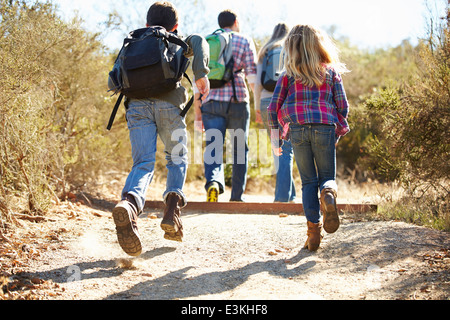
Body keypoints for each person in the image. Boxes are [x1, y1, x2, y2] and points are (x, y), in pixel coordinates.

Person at [112, 1, 210, 257]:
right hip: (169, 106)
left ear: (147, 23)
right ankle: (171, 211)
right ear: (175, 25)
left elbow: (113, 79)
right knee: (177, 158)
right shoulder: (173, 40)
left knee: (142, 163)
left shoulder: (133, 41)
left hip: (137, 108)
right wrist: (201, 74)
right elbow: (199, 39)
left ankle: (130, 204)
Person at [268, 25, 350, 251]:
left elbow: (273, 108)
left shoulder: (288, 75)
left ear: (291, 48)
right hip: (325, 127)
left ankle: (313, 234)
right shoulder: (331, 72)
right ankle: (329, 194)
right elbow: (343, 106)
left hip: (298, 130)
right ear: (319, 46)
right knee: (326, 177)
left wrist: (277, 140)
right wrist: (338, 131)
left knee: (308, 182)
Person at [194, 9, 257, 202]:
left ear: (219, 23)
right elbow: (252, 76)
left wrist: (198, 113)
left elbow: (198, 79)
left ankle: (213, 183)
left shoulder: (206, 42)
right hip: (237, 100)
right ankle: (236, 196)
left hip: (211, 100)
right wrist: (260, 106)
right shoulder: (244, 40)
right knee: (239, 148)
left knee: (213, 146)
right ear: (236, 22)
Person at [254, 22, 296, 203]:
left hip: (265, 101)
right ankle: (281, 198)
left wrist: (257, 108)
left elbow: (257, 84)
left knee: (278, 149)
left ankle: (291, 195)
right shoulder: (291, 48)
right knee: (285, 149)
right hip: (286, 102)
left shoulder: (265, 50)